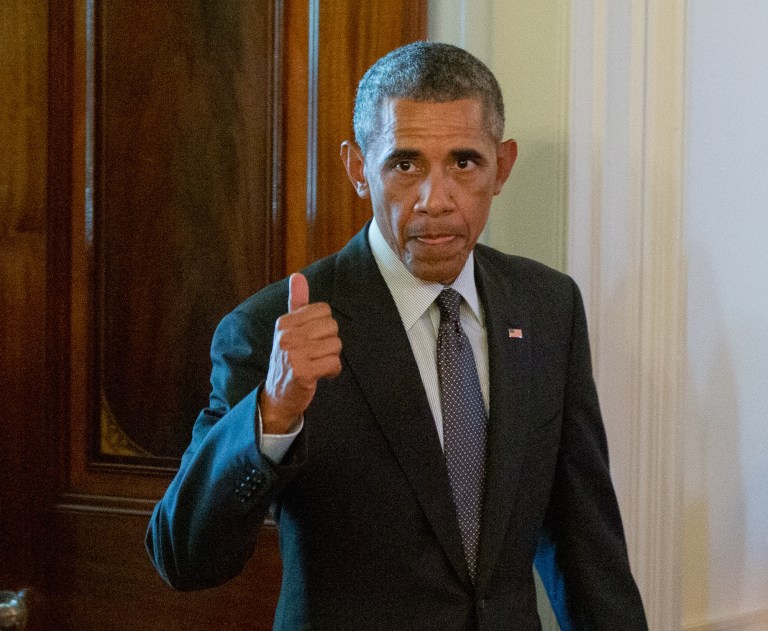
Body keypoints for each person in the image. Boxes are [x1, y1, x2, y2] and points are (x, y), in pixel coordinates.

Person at [146, 41, 648, 630]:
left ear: (502, 166)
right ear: (359, 168)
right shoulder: (268, 329)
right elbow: (183, 558)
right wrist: (272, 417)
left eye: (464, 162)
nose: (435, 200)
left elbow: (583, 540)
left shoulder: (546, 306)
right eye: (405, 164)